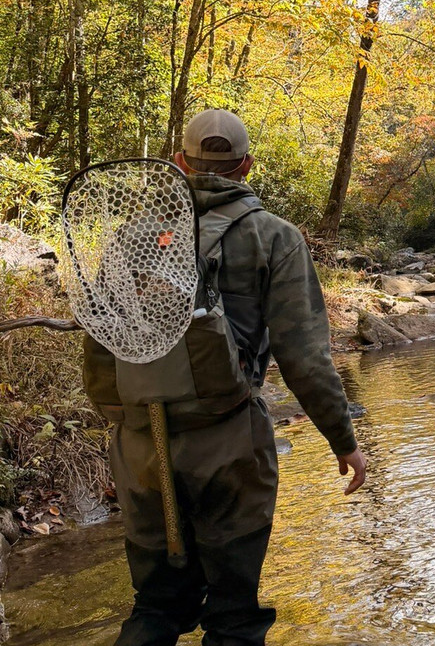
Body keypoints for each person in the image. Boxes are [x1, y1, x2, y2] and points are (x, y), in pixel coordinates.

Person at [84, 109, 367, 646]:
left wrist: (121, 441)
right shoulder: (274, 237)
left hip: (142, 444)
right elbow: (304, 357)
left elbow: (108, 337)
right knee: (234, 618)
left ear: (179, 162)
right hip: (228, 444)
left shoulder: (129, 239)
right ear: (247, 165)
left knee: (156, 609)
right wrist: (343, 441)